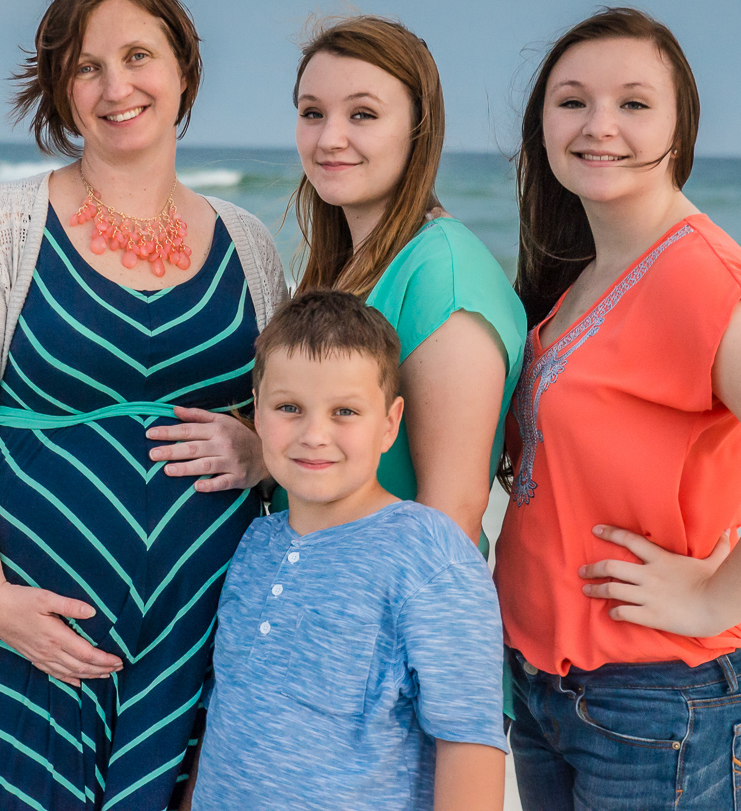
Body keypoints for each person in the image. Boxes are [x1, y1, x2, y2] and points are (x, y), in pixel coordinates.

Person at [0, 0, 288, 811]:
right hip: (28, 635)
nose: (117, 85)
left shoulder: (251, 244)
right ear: (61, 91)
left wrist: (260, 449)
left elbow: (302, 421)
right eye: (86, 66)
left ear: (182, 68)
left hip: (196, 640)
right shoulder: (7, 221)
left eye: (139, 56)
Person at [494, 7, 741, 810]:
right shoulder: (588, 268)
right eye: (572, 101)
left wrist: (713, 597)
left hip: (662, 699)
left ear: (680, 124)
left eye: (634, 103)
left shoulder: (700, 274)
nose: (600, 125)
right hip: (554, 688)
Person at [192, 290, 507, 811]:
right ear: (256, 411)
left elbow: (469, 745)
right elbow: (227, 720)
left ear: (389, 423)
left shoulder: (430, 557)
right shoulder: (255, 543)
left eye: (345, 411)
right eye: (289, 408)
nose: (315, 435)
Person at [283, 15, 526, 550]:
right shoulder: (348, 264)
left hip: (382, 620)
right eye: (312, 113)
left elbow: (450, 516)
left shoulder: (444, 276)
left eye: (363, 114)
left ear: (419, 127)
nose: (330, 138)